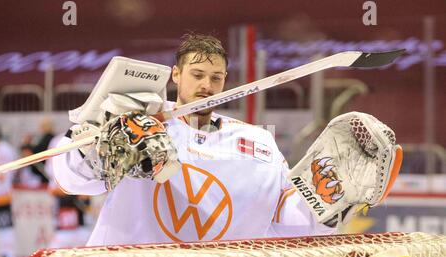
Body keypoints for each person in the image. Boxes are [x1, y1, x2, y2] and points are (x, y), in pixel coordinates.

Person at [52, 34, 402, 246]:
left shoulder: (258, 141)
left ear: (225, 80)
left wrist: (330, 199)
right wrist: (91, 138)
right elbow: (70, 180)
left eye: (216, 77)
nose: (206, 85)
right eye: (197, 74)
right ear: (176, 75)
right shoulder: (140, 122)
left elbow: (284, 221)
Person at [0, 124, 17, 228]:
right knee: (6, 234)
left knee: (5, 233)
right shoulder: (8, 148)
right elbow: (15, 171)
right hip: (4, 194)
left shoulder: (7, 148)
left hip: (3, 196)